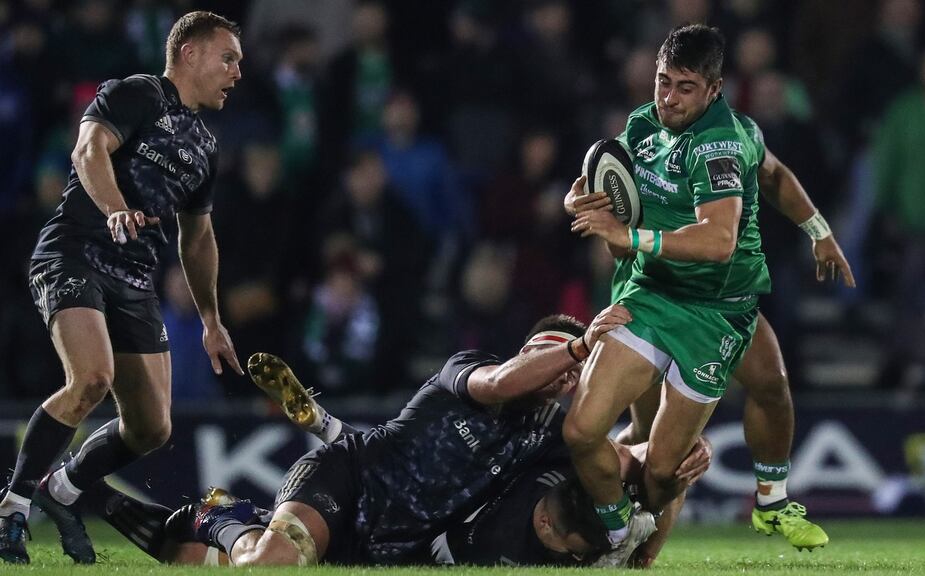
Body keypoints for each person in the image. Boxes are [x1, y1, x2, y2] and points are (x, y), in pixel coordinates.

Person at [84, 310, 710, 567]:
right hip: (348, 477)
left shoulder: (550, 436)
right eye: (548, 356)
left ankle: (195, 534)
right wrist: (576, 346)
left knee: (193, 564)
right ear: (528, 352)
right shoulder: (467, 373)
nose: (560, 375)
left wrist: (679, 456)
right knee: (271, 566)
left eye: (570, 374)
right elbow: (498, 384)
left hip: (396, 545)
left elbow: (623, 453)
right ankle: (222, 514)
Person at [560, 25, 851, 565]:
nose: (668, 97)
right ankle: (619, 530)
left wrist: (818, 230)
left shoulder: (719, 143)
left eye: (685, 87)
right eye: (662, 81)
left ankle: (769, 498)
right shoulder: (645, 123)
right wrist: (579, 196)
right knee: (581, 431)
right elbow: (606, 174)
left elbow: (719, 240)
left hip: (718, 311)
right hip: (649, 294)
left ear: (714, 89)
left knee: (675, 463)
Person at [0, 11, 244, 565]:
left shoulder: (205, 146)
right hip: (76, 252)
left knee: (153, 426)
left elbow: (198, 237)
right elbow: (88, 151)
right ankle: (11, 508)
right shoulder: (137, 94)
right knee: (91, 378)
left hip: (133, 279)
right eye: (227, 58)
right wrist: (115, 210)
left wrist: (210, 319)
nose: (236, 72)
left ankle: (61, 491)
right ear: (189, 53)